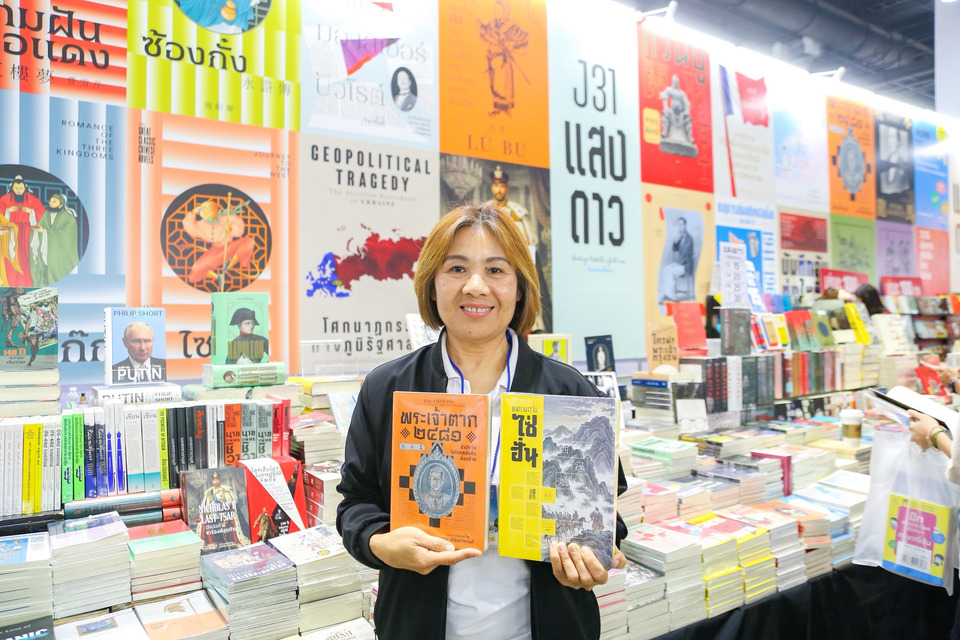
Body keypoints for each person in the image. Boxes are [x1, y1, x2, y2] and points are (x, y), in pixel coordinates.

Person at [337, 203, 627, 640]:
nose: (475, 286)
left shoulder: (569, 392)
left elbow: (608, 515)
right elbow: (356, 502)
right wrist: (380, 544)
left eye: (495, 270)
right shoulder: (388, 388)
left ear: (520, 288)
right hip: (417, 625)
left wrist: (593, 556)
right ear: (432, 284)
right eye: (457, 268)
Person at [0, 176, 42, 287]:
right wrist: (7, 211)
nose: (18, 191)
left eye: (21, 188)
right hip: (10, 233)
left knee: (26, 258)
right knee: (10, 256)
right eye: (16, 188)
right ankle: (10, 284)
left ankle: (27, 284)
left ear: (25, 188)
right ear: (12, 188)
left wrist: (31, 212)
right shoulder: (4, 199)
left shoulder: (33, 200)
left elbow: (42, 214)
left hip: (27, 233)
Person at [31, 192, 79, 285]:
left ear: (60, 204)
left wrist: (45, 232)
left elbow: (67, 236)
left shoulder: (68, 218)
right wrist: (36, 230)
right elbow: (40, 225)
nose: (51, 203)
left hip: (60, 251)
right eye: (50, 201)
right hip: (46, 247)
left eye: (54, 202)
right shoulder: (46, 214)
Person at [659, 216, 695, 304]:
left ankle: (672, 297)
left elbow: (686, 255)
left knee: (671, 272)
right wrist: (676, 241)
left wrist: (676, 264)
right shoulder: (680, 237)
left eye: (682, 225)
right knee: (665, 269)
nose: (680, 227)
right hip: (680, 263)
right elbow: (674, 249)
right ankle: (667, 293)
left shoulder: (689, 239)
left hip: (686, 266)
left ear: (685, 225)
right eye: (679, 225)